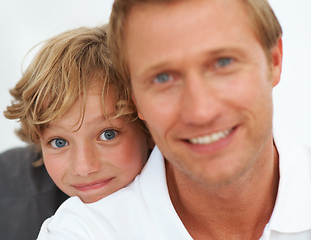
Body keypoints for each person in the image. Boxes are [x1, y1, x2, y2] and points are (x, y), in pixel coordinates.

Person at [37, 0, 311, 239]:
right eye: (163, 78)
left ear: (274, 61)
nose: (201, 111)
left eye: (224, 63)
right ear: (135, 100)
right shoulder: (83, 232)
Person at [0, 25, 151, 240]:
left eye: (107, 135)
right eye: (58, 142)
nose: (83, 168)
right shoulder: (4, 203)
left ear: (150, 129)